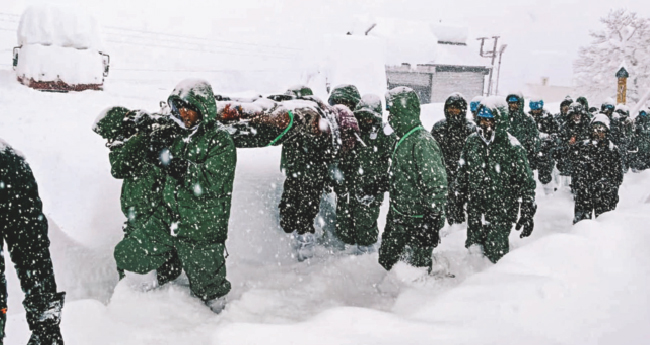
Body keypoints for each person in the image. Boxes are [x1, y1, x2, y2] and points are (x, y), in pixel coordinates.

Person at [113, 79, 236, 313]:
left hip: (202, 228)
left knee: (210, 294)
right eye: (177, 107)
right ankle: (140, 303)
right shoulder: (176, 133)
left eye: (187, 107)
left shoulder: (220, 141)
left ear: (202, 108)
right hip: (167, 219)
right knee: (128, 254)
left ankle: (219, 329)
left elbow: (210, 182)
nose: (182, 113)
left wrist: (172, 163)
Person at [452, 98, 536, 263]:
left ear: (500, 121)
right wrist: (458, 197)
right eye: (481, 119)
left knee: (494, 254)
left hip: (502, 210)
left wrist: (527, 208)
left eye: (489, 119)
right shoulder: (472, 142)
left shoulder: (512, 147)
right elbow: (462, 172)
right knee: (474, 250)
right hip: (476, 207)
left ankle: (494, 284)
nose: (484, 123)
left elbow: (526, 181)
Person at [0, 140, 65, 344]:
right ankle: (46, 326)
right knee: (32, 250)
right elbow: (32, 248)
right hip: (11, 166)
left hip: (9, 168)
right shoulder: (11, 159)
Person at [378, 87, 447, 271]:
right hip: (399, 217)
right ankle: (388, 298)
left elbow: (437, 185)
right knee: (388, 262)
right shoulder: (403, 138)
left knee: (414, 271)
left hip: (418, 222)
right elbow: (406, 174)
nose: (390, 118)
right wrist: (384, 183)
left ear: (405, 111)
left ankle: (418, 299)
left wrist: (431, 221)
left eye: (393, 112)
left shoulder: (422, 141)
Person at [335, 95, 394, 253]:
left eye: (371, 117)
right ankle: (344, 255)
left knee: (365, 222)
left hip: (370, 188)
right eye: (363, 117)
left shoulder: (384, 135)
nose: (367, 121)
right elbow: (338, 156)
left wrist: (382, 182)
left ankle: (365, 255)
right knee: (344, 220)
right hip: (348, 186)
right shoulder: (350, 131)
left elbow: (396, 162)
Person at [431, 93, 475, 225]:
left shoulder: (470, 128)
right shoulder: (439, 127)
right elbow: (432, 150)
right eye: (451, 107)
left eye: (457, 107)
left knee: (459, 206)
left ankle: (456, 230)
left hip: (463, 174)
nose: (453, 111)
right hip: (442, 172)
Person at [572, 114, 623, 223]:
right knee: (581, 225)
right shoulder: (583, 147)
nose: (597, 133)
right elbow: (576, 170)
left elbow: (617, 176)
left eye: (601, 130)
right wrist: (579, 186)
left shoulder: (612, 151)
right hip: (584, 194)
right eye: (594, 129)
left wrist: (612, 191)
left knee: (606, 224)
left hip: (605, 194)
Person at [528, 98, 561, 190]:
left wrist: (548, 139)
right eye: (533, 108)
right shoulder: (527, 118)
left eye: (537, 108)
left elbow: (557, 133)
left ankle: (548, 192)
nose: (535, 110)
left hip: (546, 150)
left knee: (545, 173)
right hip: (531, 149)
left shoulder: (549, 118)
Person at [505, 93, 541, 173]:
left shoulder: (527, 119)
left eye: (515, 103)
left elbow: (534, 138)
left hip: (523, 155)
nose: (513, 105)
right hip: (506, 155)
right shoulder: (504, 118)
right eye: (510, 103)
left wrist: (533, 154)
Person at [557, 102, 591, 181]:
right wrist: (567, 143)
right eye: (574, 114)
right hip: (568, 157)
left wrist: (581, 143)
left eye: (579, 114)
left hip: (583, 158)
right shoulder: (565, 126)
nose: (577, 117)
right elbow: (559, 141)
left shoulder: (587, 126)